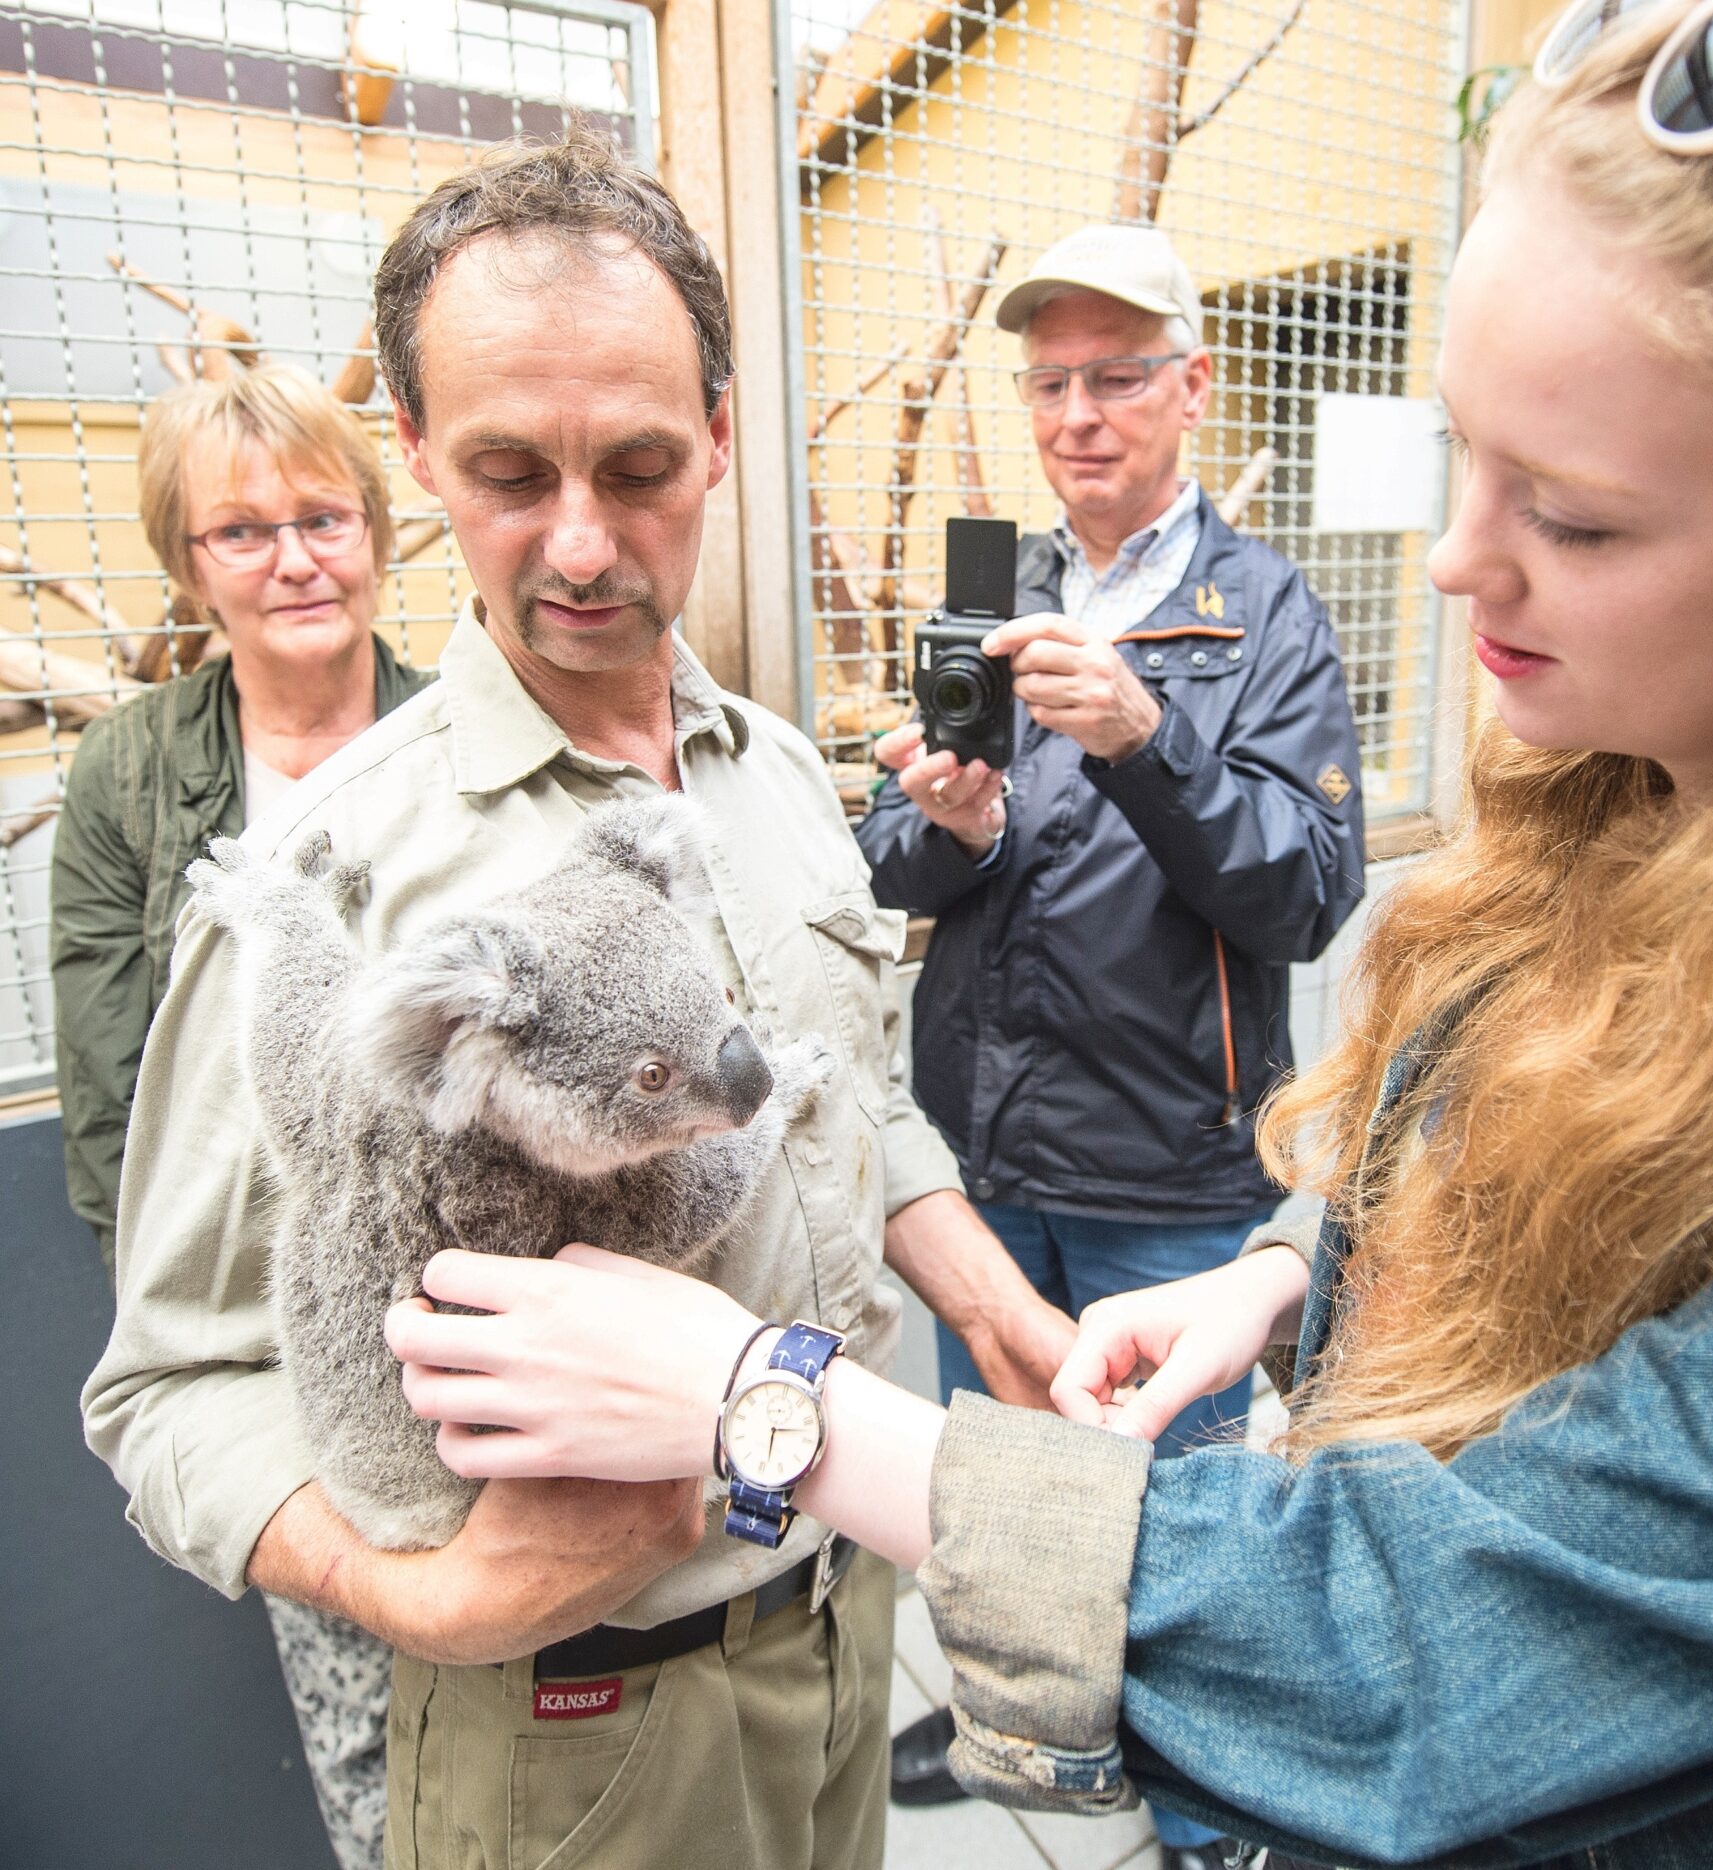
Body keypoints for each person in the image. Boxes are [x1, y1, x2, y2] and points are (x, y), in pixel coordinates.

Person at [376, 2, 1713, 1863]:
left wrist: (773, 1409)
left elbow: (1450, 1628)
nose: (1457, 559)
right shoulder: (1640, 768)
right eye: (1459, 457)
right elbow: (1504, 1157)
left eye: (1573, 514)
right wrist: (1279, 1264)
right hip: (1029, 1150)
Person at [81, 128, 1075, 1870]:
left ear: (719, 429)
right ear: (414, 458)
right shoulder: (342, 881)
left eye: (637, 464)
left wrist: (995, 1301)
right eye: (508, 473)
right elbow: (164, 1387)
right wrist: (424, 1587)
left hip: (840, 1613)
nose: (584, 544)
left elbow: (839, 1087)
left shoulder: (769, 776)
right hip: (585, 1721)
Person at [853, 221, 1366, 1856]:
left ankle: (1213, 1801)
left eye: (1117, 377)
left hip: (1175, 1164)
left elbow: (1307, 895)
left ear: (1190, 390)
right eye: (1051, 381)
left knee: (1182, 1504)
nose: (1078, 413)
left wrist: (1150, 739)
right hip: (989, 1154)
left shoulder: (1263, 613)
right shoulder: (986, 582)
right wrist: (946, 819)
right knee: (997, 1474)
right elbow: (893, 858)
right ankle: (1011, 1708)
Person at [50, 360, 432, 1869]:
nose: (295, 559)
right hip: (273, 1331)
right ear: (187, 562)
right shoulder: (134, 777)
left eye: (325, 517)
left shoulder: (466, 727)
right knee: (365, 1733)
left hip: (463, 1291)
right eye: (243, 531)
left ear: (378, 530)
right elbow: (110, 1114)